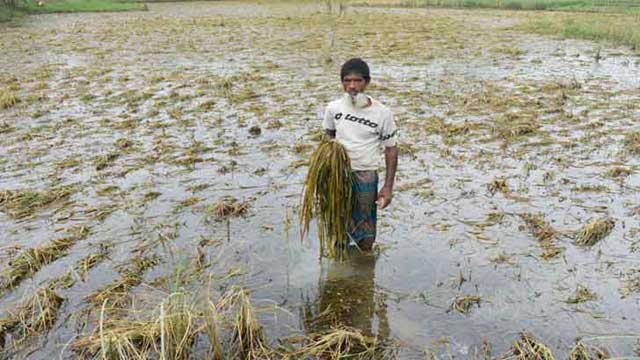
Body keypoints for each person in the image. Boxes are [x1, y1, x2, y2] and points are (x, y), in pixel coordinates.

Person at [323, 58, 398, 251]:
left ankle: (364, 270)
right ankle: (341, 270)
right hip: (338, 175)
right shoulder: (333, 108)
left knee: (365, 231)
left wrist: (388, 187)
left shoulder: (382, 113)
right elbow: (329, 137)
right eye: (347, 81)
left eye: (357, 81)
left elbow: (391, 149)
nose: (352, 86)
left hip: (365, 174)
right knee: (336, 226)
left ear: (367, 82)